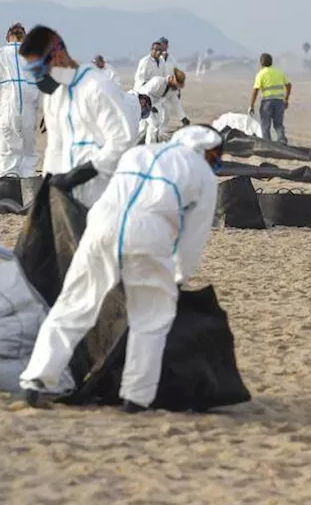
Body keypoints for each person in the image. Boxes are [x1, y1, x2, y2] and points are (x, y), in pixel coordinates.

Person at [19, 124, 223, 413]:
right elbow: (194, 234)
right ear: (209, 150)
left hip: (102, 226)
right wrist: (179, 275)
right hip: (149, 234)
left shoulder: (139, 153)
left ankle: (37, 379)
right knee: (151, 317)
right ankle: (136, 397)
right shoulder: (202, 174)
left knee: (74, 303)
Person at [22, 26, 135, 208]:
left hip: (105, 197)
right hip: (71, 202)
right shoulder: (54, 97)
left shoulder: (97, 87)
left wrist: (87, 170)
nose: (39, 78)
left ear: (57, 54)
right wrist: (47, 187)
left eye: (39, 69)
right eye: (33, 73)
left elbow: (122, 141)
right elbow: (55, 148)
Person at [0, 23, 40, 178]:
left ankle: (9, 197)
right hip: (29, 111)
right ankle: (29, 198)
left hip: (8, 109)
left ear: (8, 38)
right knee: (29, 156)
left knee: (7, 157)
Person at [248, 52, 292, 144]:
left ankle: (267, 143)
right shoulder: (279, 72)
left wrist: (251, 105)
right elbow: (288, 85)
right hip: (279, 102)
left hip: (267, 102)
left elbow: (255, 90)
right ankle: (282, 140)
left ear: (261, 63)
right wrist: (286, 98)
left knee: (265, 125)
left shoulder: (260, 74)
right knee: (278, 124)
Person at [136, 70, 190, 143]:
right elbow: (144, 92)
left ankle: (152, 142)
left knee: (157, 124)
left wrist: (183, 117)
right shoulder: (158, 81)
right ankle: (149, 145)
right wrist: (150, 106)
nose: (176, 87)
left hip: (153, 106)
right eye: (176, 84)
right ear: (171, 78)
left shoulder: (171, 90)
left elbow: (176, 103)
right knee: (153, 124)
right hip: (141, 103)